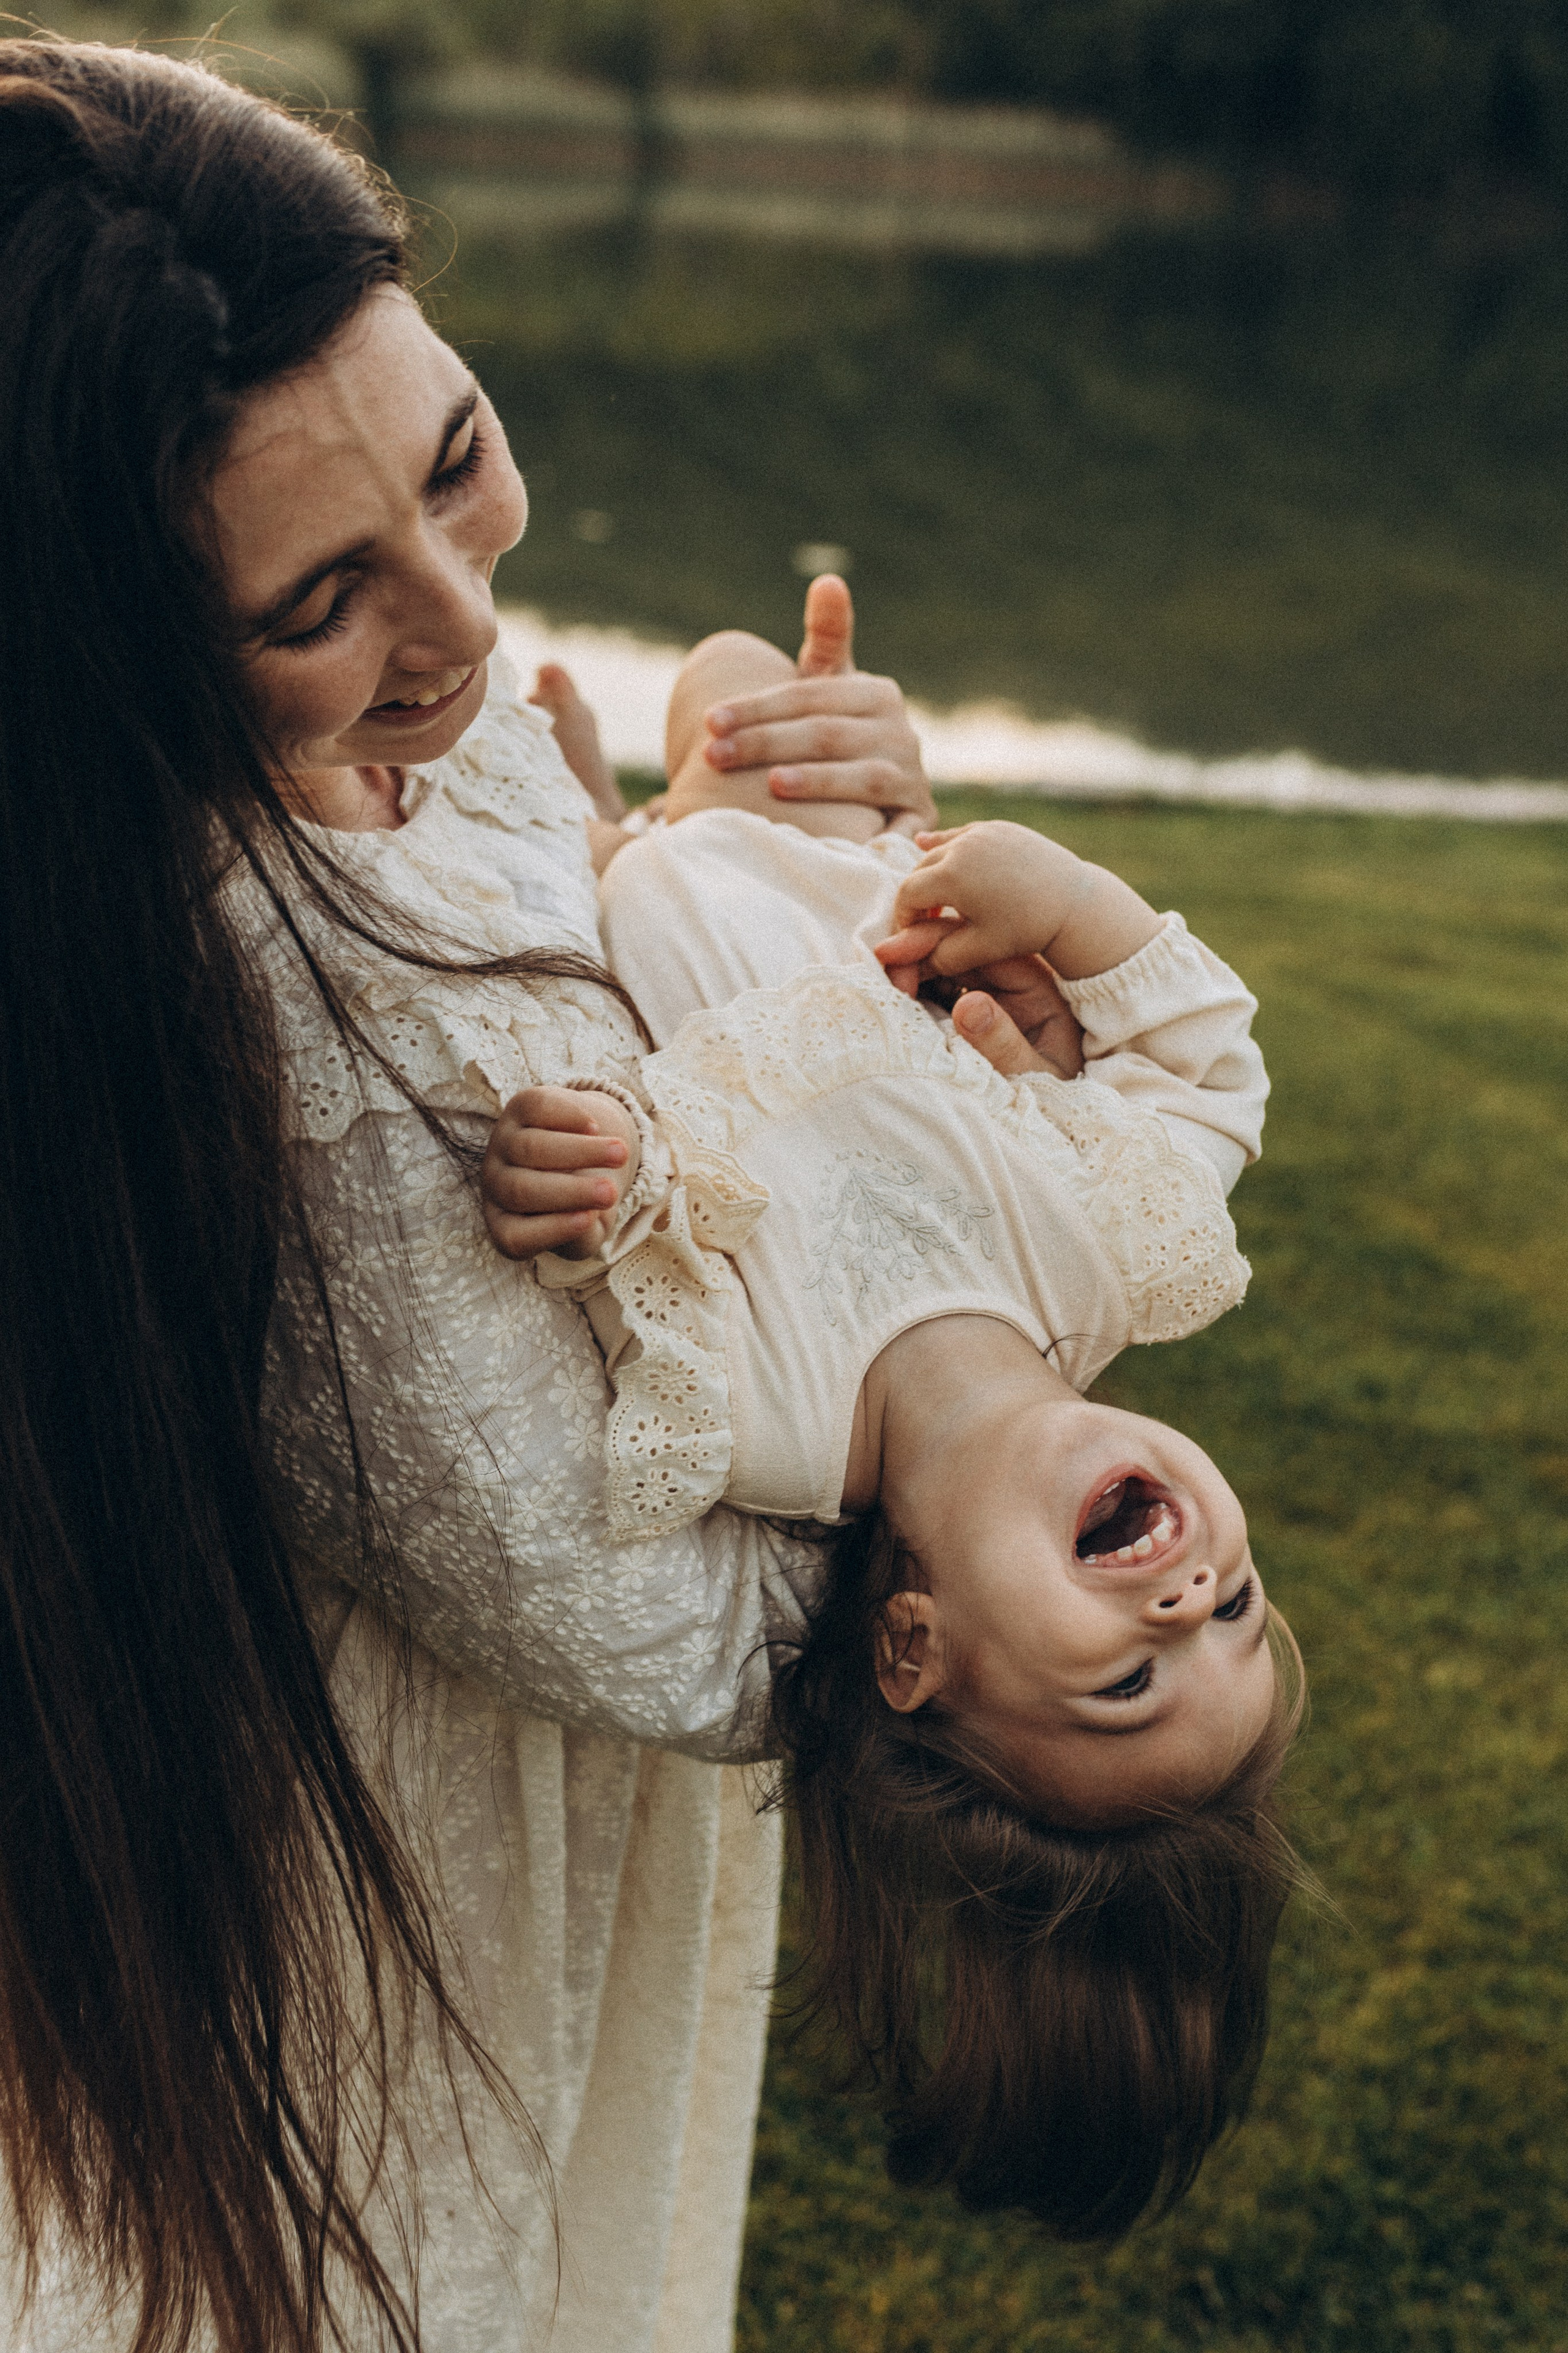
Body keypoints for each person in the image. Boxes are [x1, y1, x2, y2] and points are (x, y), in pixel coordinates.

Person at [0, 42, 948, 2353]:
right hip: (408, 1904)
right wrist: (968, 1354)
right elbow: (651, 1619)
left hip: (540, 1843)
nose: (457, 632)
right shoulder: (235, 1027)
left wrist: (795, 873)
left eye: (458, 456)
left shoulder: (401, 752)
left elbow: (559, 923)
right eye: (321, 596)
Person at [483, 617, 1306, 2237]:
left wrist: (590, 1181)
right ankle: (646, 798)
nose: (1186, 1600)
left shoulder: (755, 1423)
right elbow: (1210, 1072)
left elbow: (623, 1266)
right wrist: (1059, 899)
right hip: (827, 862)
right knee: (730, 670)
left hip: (630, 926)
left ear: (916, 1650)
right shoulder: (1108, 1259)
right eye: (1241, 1615)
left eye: (1135, 1676)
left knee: (531, 813)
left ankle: (598, 815)